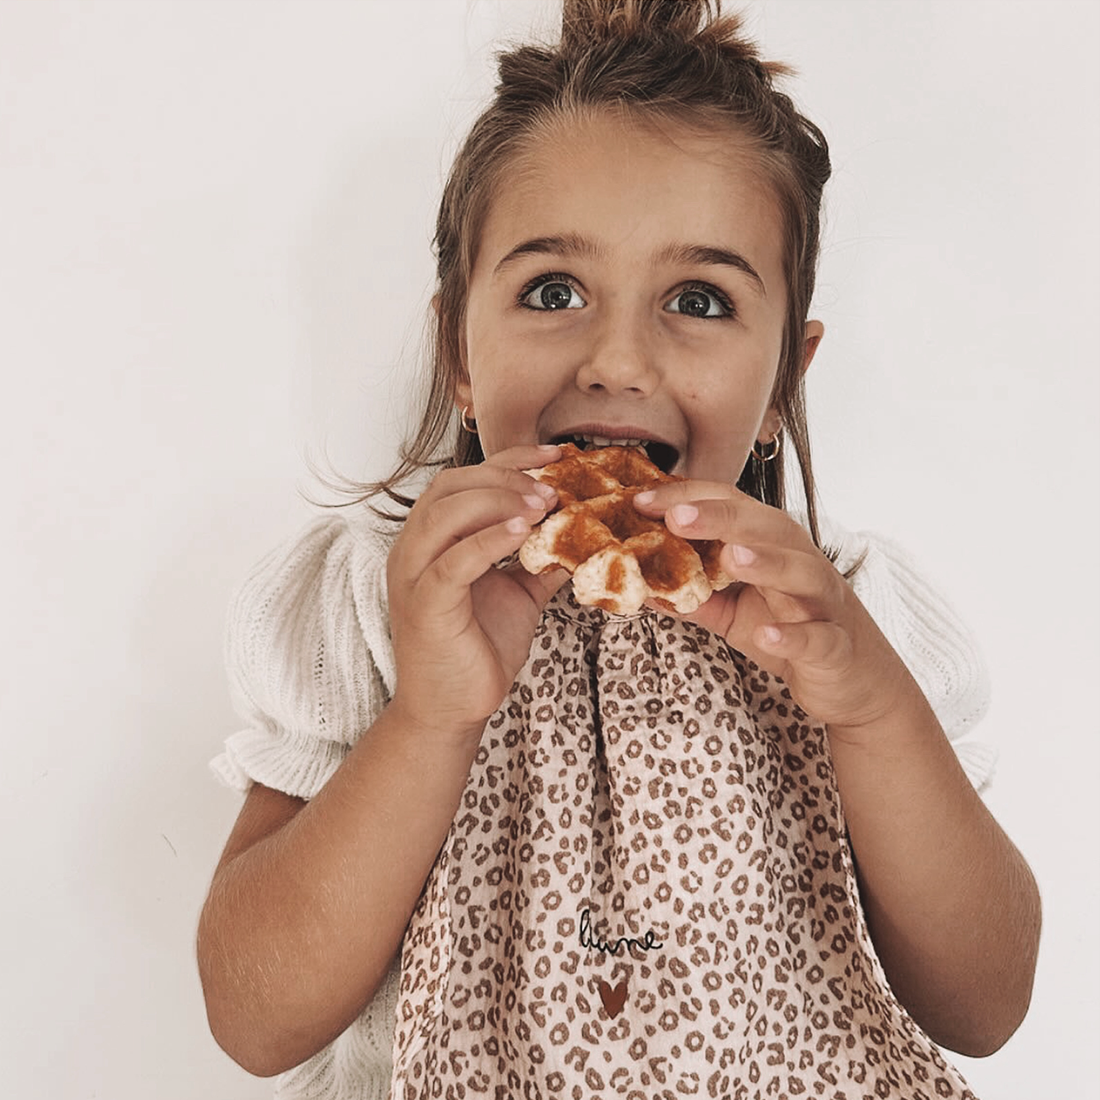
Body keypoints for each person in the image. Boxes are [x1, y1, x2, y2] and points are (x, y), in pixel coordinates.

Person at [197, 2, 1041, 1097]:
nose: (616, 357)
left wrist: (871, 708)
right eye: (553, 290)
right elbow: (254, 1018)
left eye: (698, 299)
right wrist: (430, 716)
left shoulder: (852, 618)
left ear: (783, 381)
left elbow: (984, 1005)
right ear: (458, 347)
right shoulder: (364, 598)